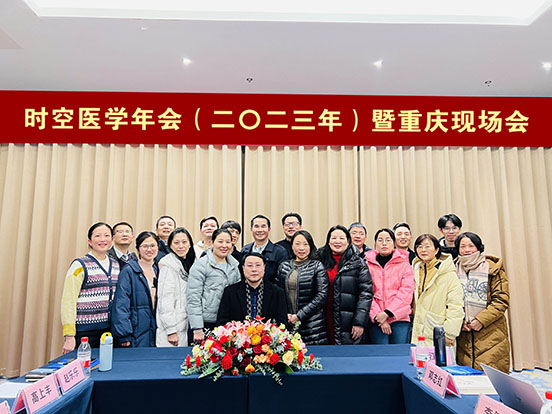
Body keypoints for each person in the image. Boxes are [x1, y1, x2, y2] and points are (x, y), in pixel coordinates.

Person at [454, 232, 511, 372]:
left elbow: (501, 300)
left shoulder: (493, 268)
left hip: (491, 332)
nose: (467, 250)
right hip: (464, 334)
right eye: (462, 246)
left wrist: (480, 320)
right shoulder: (452, 269)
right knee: (467, 377)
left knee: (491, 376)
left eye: (471, 246)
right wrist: (459, 321)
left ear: (479, 247)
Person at [61, 222, 120, 353]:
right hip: (85, 332)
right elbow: (68, 301)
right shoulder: (79, 265)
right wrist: (69, 336)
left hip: (109, 332)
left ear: (112, 240)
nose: (103, 239)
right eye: (97, 236)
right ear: (90, 241)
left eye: (107, 236)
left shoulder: (116, 265)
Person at [316, 225, 373, 345]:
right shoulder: (318, 260)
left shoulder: (358, 263)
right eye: (334, 238)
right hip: (323, 318)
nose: (337, 241)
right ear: (328, 241)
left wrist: (359, 322)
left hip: (348, 319)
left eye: (341, 238)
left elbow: (365, 294)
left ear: (348, 241)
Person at [187, 229, 241, 343]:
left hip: (228, 323)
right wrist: (197, 328)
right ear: (212, 243)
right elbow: (193, 298)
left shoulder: (235, 265)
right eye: (220, 241)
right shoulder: (200, 265)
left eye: (228, 242)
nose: (224, 245)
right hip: (206, 322)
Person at [276, 230, 329, 344]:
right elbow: (278, 294)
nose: (301, 248)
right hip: (288, 323)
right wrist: (285, 314)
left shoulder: (317, 266)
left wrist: (299, 316)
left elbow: (321, 296)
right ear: (292, 246)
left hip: (312, 326)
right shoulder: (283, 267)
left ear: (310, 246)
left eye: (305, 244)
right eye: (297, 244)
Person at [411, 234, 464, 346]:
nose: (423, 250)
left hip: (439, 332)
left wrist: (450, 333)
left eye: (427, 246)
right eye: (419, 246)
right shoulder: (414, 270)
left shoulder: (447, 273)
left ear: (436, 250)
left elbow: (456, 305)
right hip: (418, 333)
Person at [365, 228, 414, 344]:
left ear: (394, 243)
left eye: (388, 240)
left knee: (400, 352)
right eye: (380, 240)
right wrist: (379, 316)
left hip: (400, 318)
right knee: (381, 353)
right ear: (375, 243)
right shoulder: (367, 264)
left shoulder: (404, 264)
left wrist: (387, 313)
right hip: (376, 318)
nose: (384, 243)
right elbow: (366, 293)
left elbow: (406, 292)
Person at [112, 231, 159, 347]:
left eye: (152, 245)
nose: (149, 249)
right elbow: (121, 304)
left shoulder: (159, 269)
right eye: (145, 246)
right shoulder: (129, 270)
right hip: (135, 333)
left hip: (156, 332)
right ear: (138, 249)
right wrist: (124, 334)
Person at [217, 253, 288, 326]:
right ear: (243, 268)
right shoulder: (230, 292)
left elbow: (282, 323)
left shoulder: (277, 292)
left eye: (258, 265)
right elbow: (222, 322)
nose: (254, 269)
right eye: (250, 265)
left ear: (264, 267)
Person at [156, 227, 196, 347]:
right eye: (176, 243)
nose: (181, 246)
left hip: (185, 324)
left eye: (184, 242)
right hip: (172, 329)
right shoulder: (168, 264)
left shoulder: (190, 262)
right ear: (170, 245)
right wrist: (171, 330)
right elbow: (165, 300)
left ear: (190, 244)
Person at [241, 214, 288, 283]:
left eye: (263, 226)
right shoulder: (245, 250)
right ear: (251, 229)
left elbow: (282, 278)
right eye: (256, 226)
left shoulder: (279, 252)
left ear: (269, 229)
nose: (260, 230)